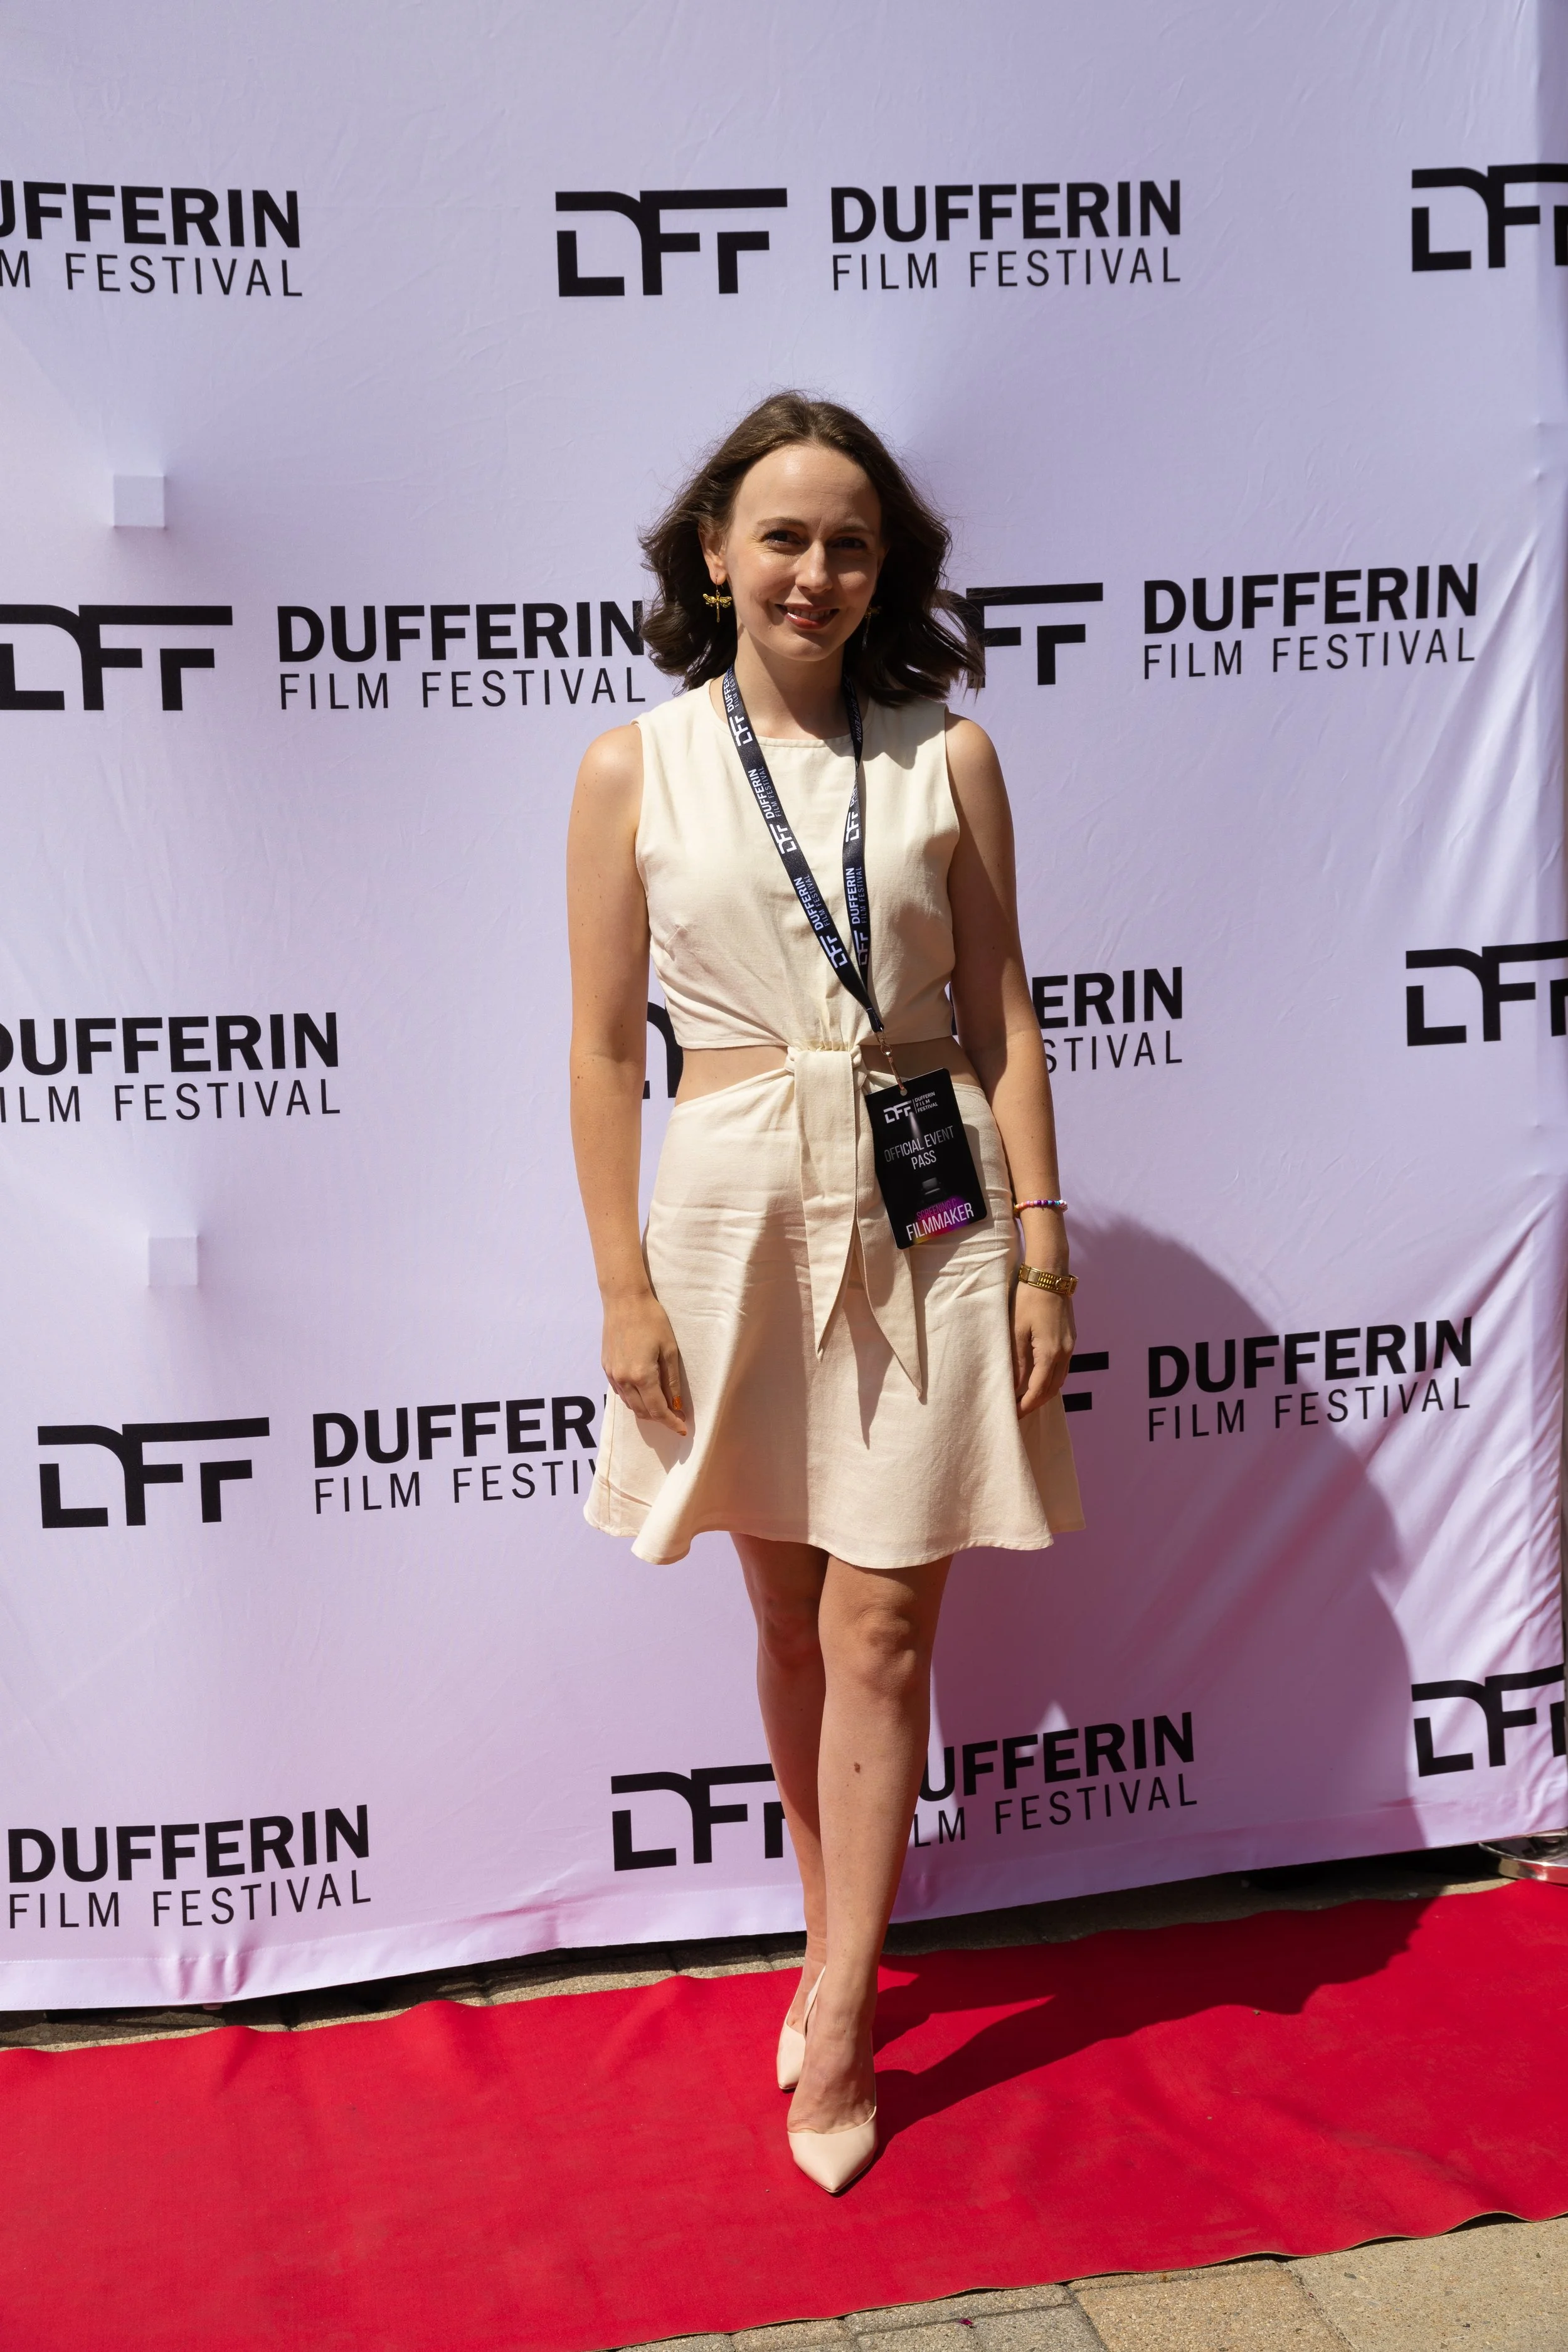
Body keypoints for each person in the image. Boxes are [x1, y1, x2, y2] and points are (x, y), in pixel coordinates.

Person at [566, 391, 1083, 2193]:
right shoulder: (633, 766)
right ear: (713, 554)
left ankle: (846, 2014)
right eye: (781, 535)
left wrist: (1041, 1244)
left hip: (929, 1200)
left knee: (880, 1626)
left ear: (888, 570)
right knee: (790, 1617)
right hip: (728, 1211)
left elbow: (1006, 1020)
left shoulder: (948, 757)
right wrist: (622, 1284)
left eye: (849, 542)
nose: (814, 570)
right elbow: (599, 1050)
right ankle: (823, 1935)